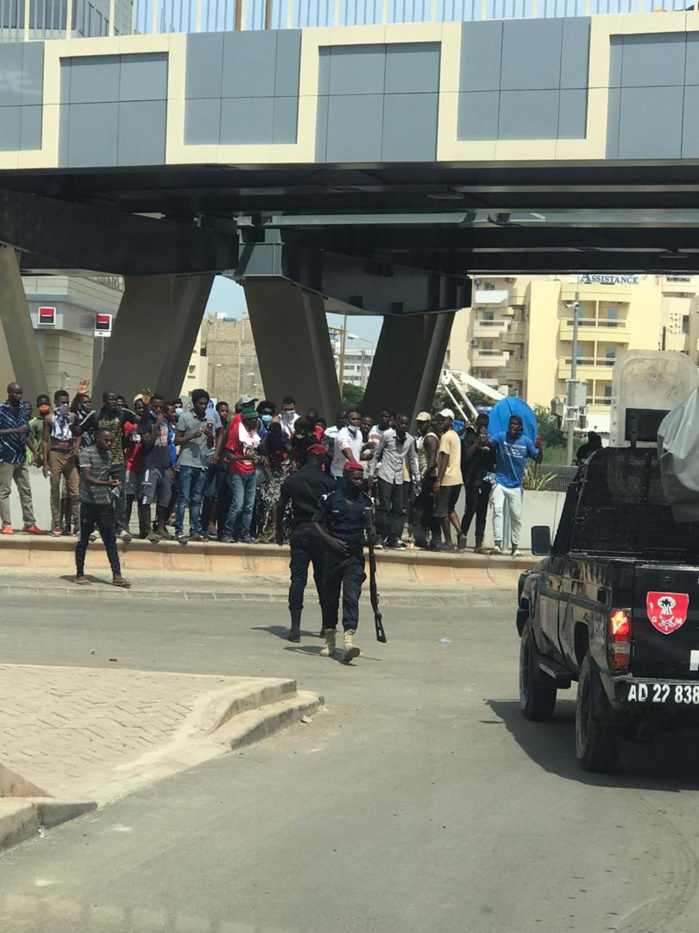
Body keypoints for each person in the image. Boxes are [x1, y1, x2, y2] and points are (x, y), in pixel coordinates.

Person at [312, 461, 374, 663]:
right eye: (355, 478)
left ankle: (349, 639)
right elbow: (315, 523)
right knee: (330, 598)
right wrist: (329, 540)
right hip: (331, 556)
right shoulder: (330, 499)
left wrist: (373, 534)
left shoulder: (366, 502)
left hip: (354, 557)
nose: (358, 481)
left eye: (360, 478)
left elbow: (372, 529)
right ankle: (330, 637)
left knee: (351, 595)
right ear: (346, 477)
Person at [276, 443, 335, 642]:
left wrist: (278, 529)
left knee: (298, 579)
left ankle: (295, 628)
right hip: (322, 533)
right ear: (320, 458)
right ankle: (325, 626)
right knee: (323, 580)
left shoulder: (293, 478)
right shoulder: (328, 481)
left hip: (299, 531)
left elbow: (281, 504)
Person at [75, 428, 131, 588]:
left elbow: (105, 475)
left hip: (104, 504)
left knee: (110, 540)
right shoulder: (86, 453)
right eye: (106, 440)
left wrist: (114, 487)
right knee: (83, 540)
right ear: (97, 438)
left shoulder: (108, 455)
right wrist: (108, 484)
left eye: (111, 440)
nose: (109, 443)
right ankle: (79, 573)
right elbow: (87, 478)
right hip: (87, 503)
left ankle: (117, 575)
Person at [481, 413, 543, 557]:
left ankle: (515, 547)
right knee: (497, 510)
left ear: (520, 427)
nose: (512, 426)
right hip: (500, 481)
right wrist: (483, 437)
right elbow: (487, 445)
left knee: (516, 516)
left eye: (515, 424)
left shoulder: (526, 442)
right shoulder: (501, 436)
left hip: (515, 485)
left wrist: (540, 448)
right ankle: (497, 544)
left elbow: (538, 459)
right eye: (510, 423)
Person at [78, 391, 136, 539]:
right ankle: (97, 527)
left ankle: (120, 527)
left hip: (117, 460)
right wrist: (76, 402)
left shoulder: (122, 413)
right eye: (111, 399)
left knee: (119, 494)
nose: (114, 402)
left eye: (115, 399)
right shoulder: (96, 415)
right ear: (104, 400)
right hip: (100, 460)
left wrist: (147, 405)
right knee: (100, 494)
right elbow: (79, 429)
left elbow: (141, 420)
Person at [367, 413, 420, 549]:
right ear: (396, 423)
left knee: (398, 509)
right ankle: (380, 537)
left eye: (406, 424)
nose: (404, 426)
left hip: (399, 478)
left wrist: (417, 478)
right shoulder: (387, 436)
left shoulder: (409, 439)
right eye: (401, 423)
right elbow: (377, 454)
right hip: (385, 475)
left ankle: (393, 538)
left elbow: (413, 459)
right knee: (384, 508)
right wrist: (371, 473)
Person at [174, 388, 216, 544]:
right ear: (194, 403)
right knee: (183, 497)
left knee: (196, 499)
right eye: (200, 403)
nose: (203, 406)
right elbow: (176, 440)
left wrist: (209, 436)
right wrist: (192, 435)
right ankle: (179, 530)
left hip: (201, 463)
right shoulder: (185, 417)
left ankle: (194, 530)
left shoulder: (210, 419)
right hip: (186, 462)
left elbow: (211, 444)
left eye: (205, 404)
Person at [0, 382, 42, 535]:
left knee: (25, 490)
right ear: (9, 392)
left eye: (20, 393)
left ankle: (29, 523)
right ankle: (6, 524)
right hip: (5, 455)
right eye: (16, 393)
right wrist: (16, 430)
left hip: (21, 455)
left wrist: (35, 453)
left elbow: (26, 433)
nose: (19, 396)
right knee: (4, 491)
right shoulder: (1, 410)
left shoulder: (23, 410)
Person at [43, 389, 81, 536]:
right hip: (55, 453)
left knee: (74, 490)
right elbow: (45, 440)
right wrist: (45, 462)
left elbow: (78, 435)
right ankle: (57, 523)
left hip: (69, 454)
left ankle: (76, 524)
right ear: (56, 402)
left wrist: (76, 450)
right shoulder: (49, 418)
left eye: (67, 402)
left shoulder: (72, 416)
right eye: (62, 402)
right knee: (55, 489)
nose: (64, 405)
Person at [220, 407, 261, 543]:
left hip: (251, 471)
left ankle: (244, 533)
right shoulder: (236, 432)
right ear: (246, 420)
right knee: (238, 504)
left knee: (249, 505)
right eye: (253, 419)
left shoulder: (252, 433)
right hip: (237, 471)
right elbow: (228, 454)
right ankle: (227, 532)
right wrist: (242, 458)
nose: (256, 421)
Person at [139, 393, 174, 543]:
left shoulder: (167, 421)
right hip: (150, 465)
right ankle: (146, 529)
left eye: (161, 407)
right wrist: (156, 426)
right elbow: (146, 443)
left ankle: (160, 527)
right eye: (156, 406)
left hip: (164, 465)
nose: (158, 409)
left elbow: (170, 442)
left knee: (164, 499)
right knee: (146, 498)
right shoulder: (146, 421)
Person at [461, 413, 496, 553]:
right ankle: (462, 536)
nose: (483, 428)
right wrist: (477, 443)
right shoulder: (470, 438)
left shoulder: (490, 441)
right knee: (471, 508)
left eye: (485, 426)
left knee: (482, 512)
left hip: (485, 480)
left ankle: (478, 543)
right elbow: (466, 457)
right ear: (476, 424)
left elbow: (494, 462)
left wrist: (488, 444)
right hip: (472, 480)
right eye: (480, 425)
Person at [433, 409, 465, 551]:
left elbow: (444, 459)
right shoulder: (455, 436)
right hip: (458, 478)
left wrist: (438, 480)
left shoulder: (446, 437)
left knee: (441, 512)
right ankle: (460, 532)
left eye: (444, 420)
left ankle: (449, 541)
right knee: (450, 508)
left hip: (447, 478)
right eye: (439, 419)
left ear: (450, 421)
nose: (441, 422)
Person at [412, 412, 441, 549]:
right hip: (427, 476)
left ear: (429, 423)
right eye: (418, 422)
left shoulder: (430, 438)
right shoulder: (425, 437)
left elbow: (433, 461)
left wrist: (423, 476)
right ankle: (424, 539)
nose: (420, 424)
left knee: (424, 509)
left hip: (430, 477)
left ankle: (433, 539)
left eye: (422, 422)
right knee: (425, 509)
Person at [123, 396, 145, 538]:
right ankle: (125, 525)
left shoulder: (149, 423)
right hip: (131, 464)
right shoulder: (128, 424)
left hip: (145, 465)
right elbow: (123, 443)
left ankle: (144, 528)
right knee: (129, 498)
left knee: (143, 499)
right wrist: (129, 436)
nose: (141, 410)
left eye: (143, 408)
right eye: (138, 408)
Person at [330, 410, 363, 484]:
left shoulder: (359, 433)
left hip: (353, 473)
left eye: (358, 419)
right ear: (346, 421)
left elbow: (356, 452)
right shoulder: (342, 435)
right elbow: (349, 455)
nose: (356, 421)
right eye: (353, 419)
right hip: (340, 474)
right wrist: (359, 468)